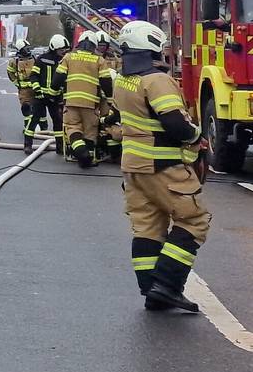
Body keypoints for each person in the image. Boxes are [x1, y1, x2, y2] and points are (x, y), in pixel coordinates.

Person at [114, 20, 210, 313]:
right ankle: (167, 286)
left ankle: (151, 291)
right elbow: (174, 123)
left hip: (134, 167)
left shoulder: (123, 80)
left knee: (148, 226)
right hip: (162, 165)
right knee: (194, 220)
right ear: (152, 46)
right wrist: (196, 136)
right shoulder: (156, 80)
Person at [56, 30, 114, 168]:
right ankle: (88, 158)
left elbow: (58, 77)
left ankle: (81, 152)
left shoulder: (69, 57)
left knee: (72, 128)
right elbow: (106, 81)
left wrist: (53, 94)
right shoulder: (99, 60)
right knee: (90, 131)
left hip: (71, 102)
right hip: (91, 104)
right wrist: (110, 99)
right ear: (94, 45)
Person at [27, 34, 71, 154]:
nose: (63, 52)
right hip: (40, 96)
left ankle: (60, 147)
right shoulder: (41, 59)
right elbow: (33, 76)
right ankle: (28, 144)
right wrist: (37, 89)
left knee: (58, 122)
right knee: (34, 119)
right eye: (61, 50)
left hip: (55, 97)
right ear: (53, 48)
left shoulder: (64, 61)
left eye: (65, 50)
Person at [7, 38, 38, 154]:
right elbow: (10, 73)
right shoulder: (14, 61)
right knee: (26, 108)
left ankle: (42, 128)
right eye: (26, 48)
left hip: (35, 88)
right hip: (24, 90)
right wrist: (17, 83)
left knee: (38, 109)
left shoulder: (34, 58)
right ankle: (28, 128)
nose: (28, 50)